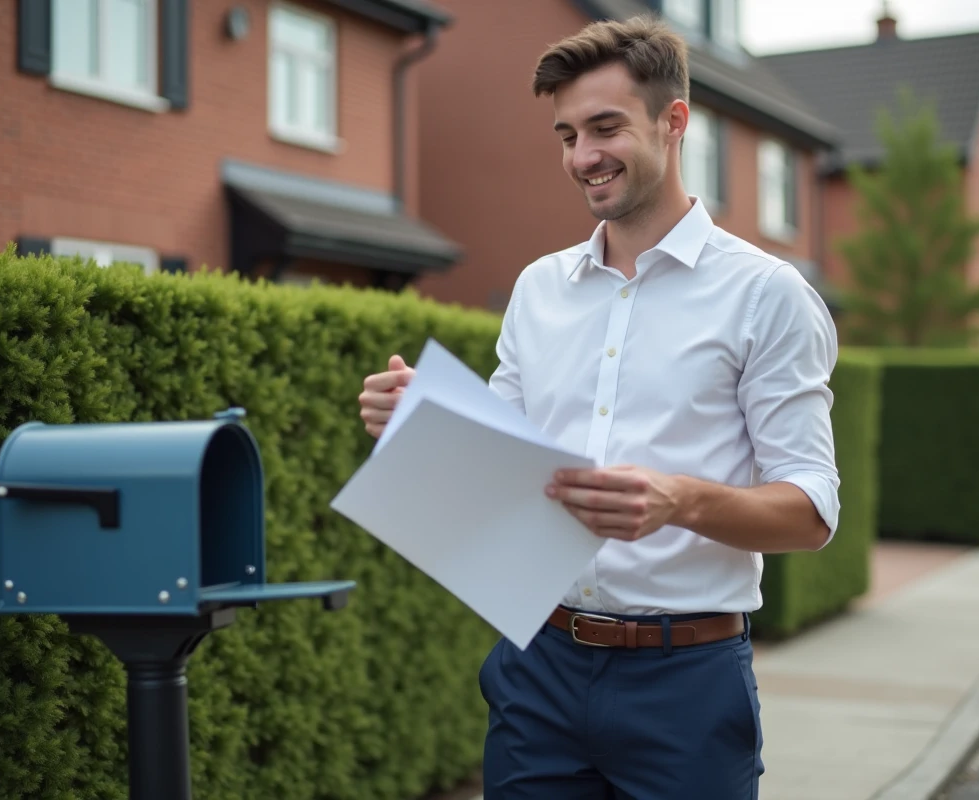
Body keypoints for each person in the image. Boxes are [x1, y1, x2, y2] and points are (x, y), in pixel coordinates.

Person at [358, 14, 840, 799]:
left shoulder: (767, 295)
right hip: (537, 670)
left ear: (673, 121)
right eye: (567, 135)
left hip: (685, 683)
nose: (583, 157)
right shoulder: (539, 289)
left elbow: (812, 510)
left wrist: (678, 499)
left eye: (605, 128)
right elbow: (504, 467)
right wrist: (424, 420)